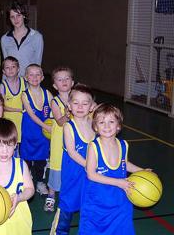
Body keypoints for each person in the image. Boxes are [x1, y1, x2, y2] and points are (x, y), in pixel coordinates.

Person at [79, 104, 149, 235]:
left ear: (118, 126)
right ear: (95, 127)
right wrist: (118, 182)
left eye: (111, 122)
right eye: (101, 122)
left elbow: (124, 163)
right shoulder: (93, 147)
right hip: (97, 201)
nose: (106, 126)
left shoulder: (123, 145)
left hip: (120, 199)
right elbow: (91, 175)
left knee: (123, 228)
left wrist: (142, 171)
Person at [50, 84, 96, 235]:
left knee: (89, 204)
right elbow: (72, 153)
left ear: (91, 106)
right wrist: (89, 166)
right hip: (73, 174)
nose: (80, 106)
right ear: (69, 106)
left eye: (85, 103)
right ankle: (59, 232)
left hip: (90, 175)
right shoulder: (69, 127)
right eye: (76, 103)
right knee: (67, 206)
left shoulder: (94, 123)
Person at [44, 67, 74, 212]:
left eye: (67, 78)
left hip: (74, 140)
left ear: (72, 82)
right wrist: (68, 114)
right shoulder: (55, 101)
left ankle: (69, 196)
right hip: (59, 140)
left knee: (72, 168)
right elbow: (60, 121)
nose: (64, 81)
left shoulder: (78, 100)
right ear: (55, 85)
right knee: (57, 167)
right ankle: (51, 195)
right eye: (60, 79)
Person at [20, 64, 53, 195]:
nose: (34, 77)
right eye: (31, 74)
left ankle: (40, 182)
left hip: (42, 136)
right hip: (29, 134)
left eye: (38, 74)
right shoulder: (24, 95)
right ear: (26, 77)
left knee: (41, 161)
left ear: (42, 77)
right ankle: (26, 182)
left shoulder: (48, 94)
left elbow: (54, 110)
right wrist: (46, 126)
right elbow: (32, 115)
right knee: (26, 162)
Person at [1, 0, 44, 77]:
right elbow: (6, 65)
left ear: (24, 15)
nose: (15, 19)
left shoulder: (36, 37)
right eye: (12, 17)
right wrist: (4, 84)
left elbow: (38, 65)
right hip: (11, 82)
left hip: (29, 82)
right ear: (9, 19)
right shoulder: (4, 39)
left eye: (18, 15)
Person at [0, 56, 26, 144]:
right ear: (3, 71)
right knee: (11, 144)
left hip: (23, 120)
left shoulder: (24, 82)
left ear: (18, 69)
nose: (10, 69)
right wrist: (19, 110)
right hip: (9, 121)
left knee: (22, 146)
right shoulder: (3, 86)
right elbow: (2, 106)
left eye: (13, 67)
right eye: (7, 67)